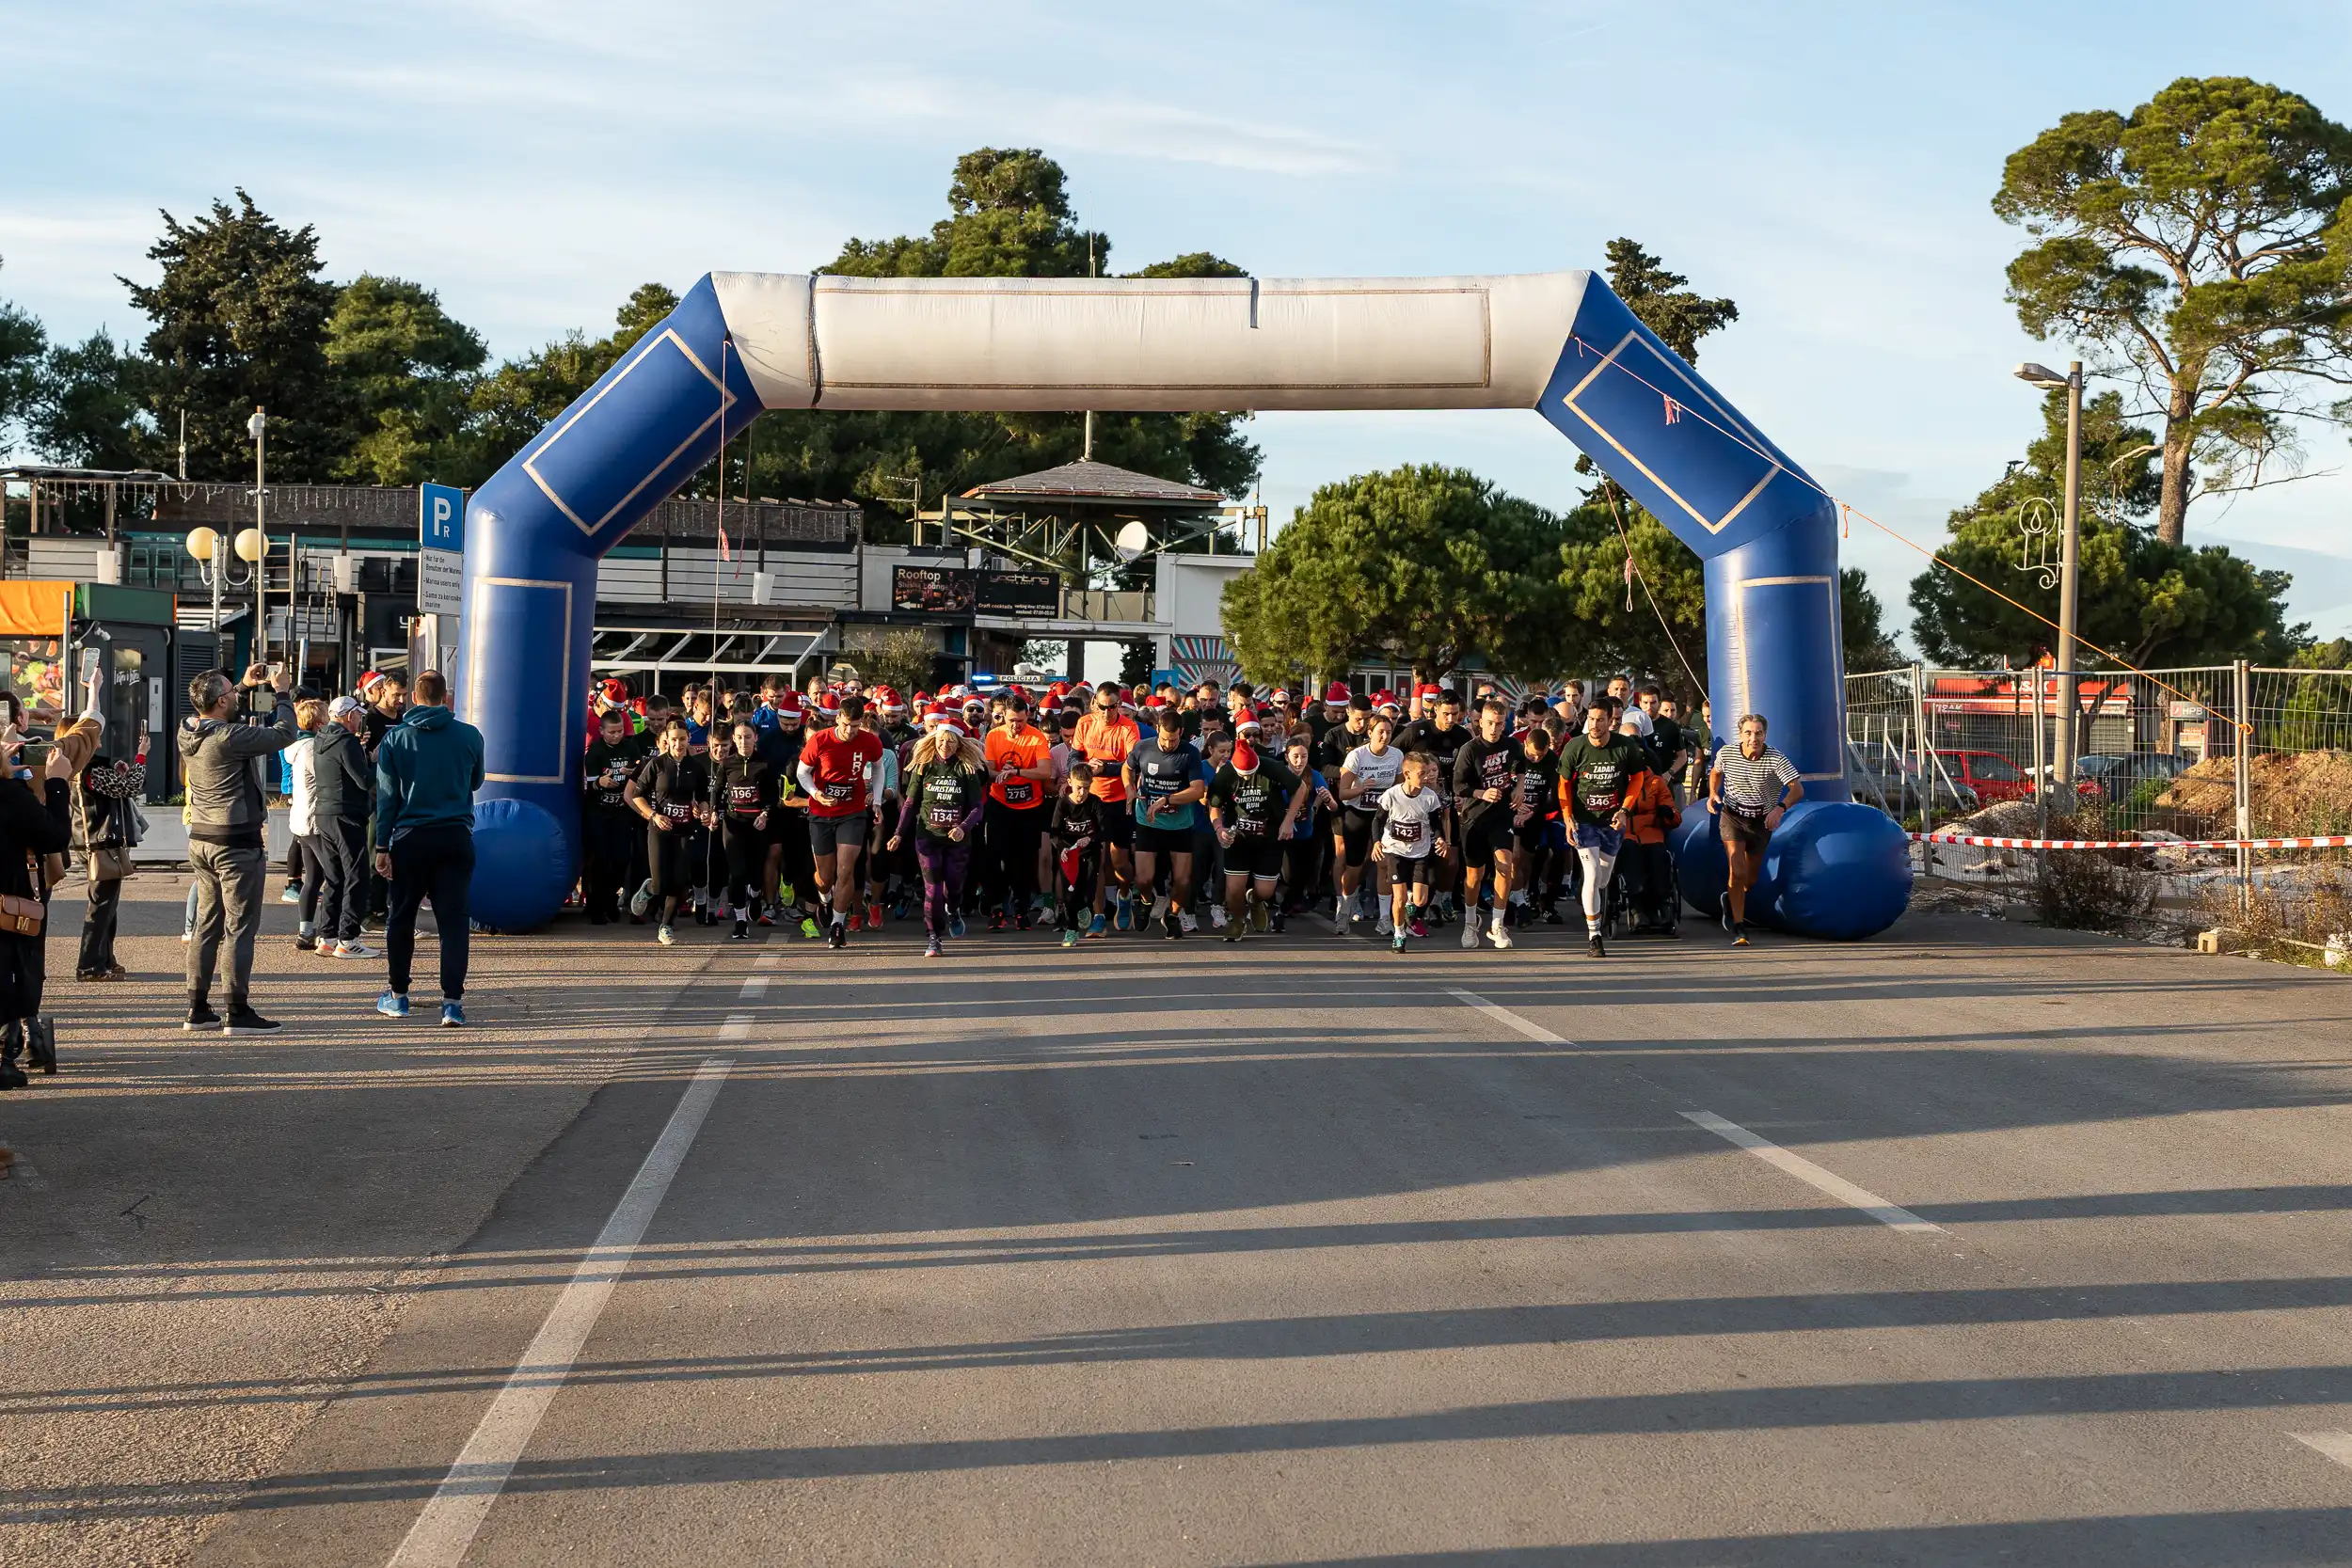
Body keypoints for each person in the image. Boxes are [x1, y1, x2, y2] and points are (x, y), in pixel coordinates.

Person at [181, 662, 297, 1034]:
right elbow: (285, 734)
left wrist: (245, 686)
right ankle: (237, 1010)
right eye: (231, 693)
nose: (236, 695)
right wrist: (281, 692)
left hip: (201, 838)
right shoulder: (230, 737)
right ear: (219, 702)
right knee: (239, 927)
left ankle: (197, 1009)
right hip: (236, 841)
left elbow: (219, 712)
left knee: (206, 925)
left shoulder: (188, 730)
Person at [373, 671, 485, 1024]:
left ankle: (398, 995)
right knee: (453, 922)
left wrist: (381, 845)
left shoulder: (396, 739)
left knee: (401, 917)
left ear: (414, 698)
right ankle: (451, 1002)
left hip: (410, 837)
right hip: (455, 835)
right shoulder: (469, 735)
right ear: (445, 696)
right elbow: (477, 780)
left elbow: (387, 796)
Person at [0, 731, 74, 1087]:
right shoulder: (10, 796)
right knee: (16, 971)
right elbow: (54, 836)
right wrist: (58, 781)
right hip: (9, 905)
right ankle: (6, 1055)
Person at [1556, 694, 1650, 958]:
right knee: (1592, 874)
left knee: (1603, 878)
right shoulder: (1575, 747)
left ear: (1611, 722)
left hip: (1612, 821)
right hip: (1584, 820)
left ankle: (1587, 896)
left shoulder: (1625, 747)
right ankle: (1594, 935)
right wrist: (1567, 817)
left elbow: (1637, 779)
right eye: (1591, 719)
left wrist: (1624, 810)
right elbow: (1563, 785)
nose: (1595, 725)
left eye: (1601, 720)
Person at [889, 720, 987, 958]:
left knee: (952, 888)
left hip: (957, 840)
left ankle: (953, 910)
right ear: (933, 741)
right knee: (933, 887)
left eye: (950, 742)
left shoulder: (966, 769)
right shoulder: (923, 767)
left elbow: (977, 808)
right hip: (928, 836)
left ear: (958, 744)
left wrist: (963, 827)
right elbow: (911, 803)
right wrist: (899, 833)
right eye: (941, 741)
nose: (945, 745)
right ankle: (934, 937)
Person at [797, 692, 884, 949]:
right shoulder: (820, 740)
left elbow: (878, 769)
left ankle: (837, 924)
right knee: (825, 876)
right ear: (838, 720)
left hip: (853, 812)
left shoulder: (869, 742)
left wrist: (876, 800)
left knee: (845, 871)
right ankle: (825, 898)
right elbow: (803, 773)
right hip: (822, 813)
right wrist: (816, 793)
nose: (850, 731)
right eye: (846, 725)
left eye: (855, 726)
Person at [72, 688, 148, 983]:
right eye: (95, 736)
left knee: (108, 905)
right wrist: (141, 756)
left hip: (96, 841)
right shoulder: (90, 770)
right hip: (101, 842)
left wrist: (120, 770)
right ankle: (89, 964)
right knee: (102, 905)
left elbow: (118, 785)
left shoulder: (82, 769)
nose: (100, 740)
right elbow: (131, 786)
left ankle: (104, 959)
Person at [1709, 712, 1802, 946]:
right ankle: (1740, 928)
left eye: (1758, 733)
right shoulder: (1728, 753)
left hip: (1761, 822)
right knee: (1737, 870)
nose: (1754, 738)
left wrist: (1780, 809)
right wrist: (1712, 793)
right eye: (1748, 733)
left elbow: (1797, 790)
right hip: (1732, 817)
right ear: (1740, 735)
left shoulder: (1775, 759)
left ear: (1765, 735)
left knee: (1750, 878)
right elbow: (1716, 772)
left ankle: (1730, 899)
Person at [1205, 736, 1309, 942]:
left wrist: (1288, 820)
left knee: (1265, 890)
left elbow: (1301, 788)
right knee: (1234, 889)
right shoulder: (1225, 774)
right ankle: (1238, 922)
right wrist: (1219, 828)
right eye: (1242, 775)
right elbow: (1214, 806)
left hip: (1270, 837)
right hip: (1239, 838)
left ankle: (1255, 901)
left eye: (1250, 774)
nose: (1246, 778)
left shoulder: (1272, 767)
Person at [1124, 705, 1211, 939]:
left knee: (1183, 881)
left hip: (1179, 824)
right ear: (1158, 730)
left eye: (1172, 740)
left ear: (1181, 733)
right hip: (1148, 820)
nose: (1167, 745)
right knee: (1143, 879)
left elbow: (1197, 790)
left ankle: (1172, 916)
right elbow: (1127, 767)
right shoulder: (1144, 747)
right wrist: (1130, 789)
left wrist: (1167, 799)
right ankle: (1145, 901)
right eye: (1164, 739)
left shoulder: (1189, 753)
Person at [627, 721, 709, 945]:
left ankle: (666, 926)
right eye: (674, 740)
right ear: (667, 741)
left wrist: (703, 812)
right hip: (659, 829)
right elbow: (637, 795)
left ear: (688, 739)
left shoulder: (696, 767)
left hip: (684, 829)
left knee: (680, 881)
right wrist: (654, 815)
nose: (678, 744)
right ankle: (650, 888)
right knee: (661, 883)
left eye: (682, 739)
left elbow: (703, 798)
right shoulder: (657, 764)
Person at [1451, 699, 1521, 950]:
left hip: (1501, 815)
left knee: (1505, 864)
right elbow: (1458, 786)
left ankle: (1497, 924)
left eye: (1499, 724)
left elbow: (1521, 765)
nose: (1494, 728)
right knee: (1474, 875)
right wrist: (1482, 793)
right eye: (1490, 723)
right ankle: (1471, 922)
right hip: (1474, 817)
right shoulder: (1470, 749)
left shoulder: (1512, 744)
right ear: (1480, 722)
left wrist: (1520, 787)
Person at [1071, 684, 1141, 935]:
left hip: (1120, 799)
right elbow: (1073, 758)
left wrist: (1105, 768)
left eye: (1113, 707)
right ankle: (1098, 916)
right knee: (1095, 861)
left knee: (1119, 860)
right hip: (1092, 799)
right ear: (1094, 705)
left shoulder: (1128, 728)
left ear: (1119, 706)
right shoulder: (1084, 724)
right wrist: (1086, 766)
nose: (1107, 712)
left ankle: (1124, 894)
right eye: (1103, 707)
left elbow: (1133, 764)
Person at [309, 696, 375, 958]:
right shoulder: (346, 741)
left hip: (325, 812)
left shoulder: (321, 738)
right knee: (357, 875)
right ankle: (348, 939)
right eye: (357, 715)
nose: (360, 719)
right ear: (348, 716)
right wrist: (374, 761)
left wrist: (360, 754)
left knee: (334, 877)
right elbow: (363, 780)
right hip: (347, 813)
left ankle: (327, 936)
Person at [982, 695, 1054, 931]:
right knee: (996, 857)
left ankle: (1022, 909)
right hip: (1000, 804)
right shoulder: (994, 735)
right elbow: (989, 770)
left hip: (1030, 807)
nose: (1016, 726)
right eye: (1012, 720)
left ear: (1028, 716)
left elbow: (1044, 771)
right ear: (1003, 717)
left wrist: (1018, 772)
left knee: (1025, 859)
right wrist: (1000, 775)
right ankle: (996, 908)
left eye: (1021, 721)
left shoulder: (1036, 737)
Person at [1370, 751, 1447, 954]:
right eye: (1421, 774)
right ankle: (1398, 934)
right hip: (1395, 850)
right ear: (1407, 774)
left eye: (1428, 773)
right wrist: (1377, 842)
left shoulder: (1430, 798)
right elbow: (1377, 820)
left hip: (1419, 851)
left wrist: (1440, 838)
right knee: (1399, 897)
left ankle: (1412, 903)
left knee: (1420, 899)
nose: (1426, 777)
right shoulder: (1392, 795)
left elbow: (1436, 823)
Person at [1336, 712, 1405, 931]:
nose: (1385, 736)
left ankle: (1385, 918)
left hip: (1384, 815)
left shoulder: (1396, 755)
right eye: (1380, 732)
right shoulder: (1357, 756)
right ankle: (1344, 910)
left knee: (1384, 864)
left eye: (1388, 732)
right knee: (1354, 867)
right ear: (1370, 733)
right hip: (1358, 812)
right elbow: (1343, 793)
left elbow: (1400, 788)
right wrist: (1362, 788)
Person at [580, 705, 645, 926]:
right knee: (600, 861)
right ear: (602, 731)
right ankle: (597, 908)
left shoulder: (631, 747)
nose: (617, 735)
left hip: (622, 812)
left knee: (621, 860)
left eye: (619, 731)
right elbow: (588, 784)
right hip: (599, 812)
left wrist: (633, 772)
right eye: (612, 732)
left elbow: (642, 772)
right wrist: (600, 782)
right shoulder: (596, 751)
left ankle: (609, 900)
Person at [712, 720, 775, 940]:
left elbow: (771, 797)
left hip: (757, 825)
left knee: (756, 873)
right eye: (738, 737)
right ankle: (740, 920)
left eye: (747, 737)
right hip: (733, 823)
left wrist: (765, 814)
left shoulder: (765, 764)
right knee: (737, 873)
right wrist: (713, 811)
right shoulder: (727, 763)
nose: (743, 741)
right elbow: (717, 790)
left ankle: (756, 895)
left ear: (755, 738)